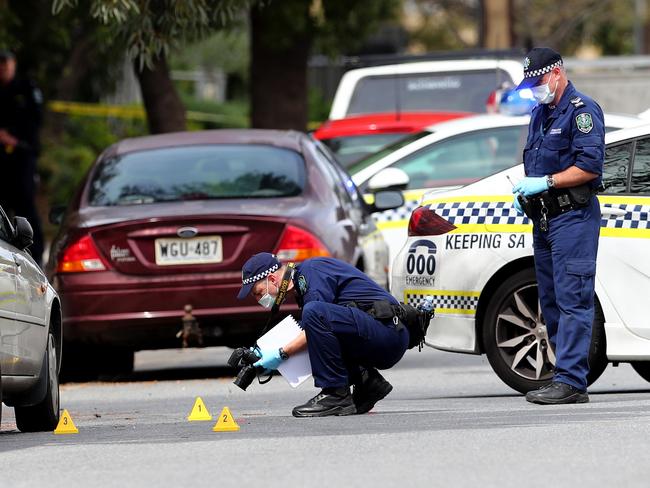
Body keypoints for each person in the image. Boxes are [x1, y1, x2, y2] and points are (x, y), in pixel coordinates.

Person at [512, 47, 605, 405]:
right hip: (546, 219)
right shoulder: (540, 114)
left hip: (573, 218)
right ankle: (563, 376)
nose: (535, 89)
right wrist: (528, 193)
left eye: (538, 81)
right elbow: (536, 162)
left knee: (573, 301)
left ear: (557, 74)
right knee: (550, 301)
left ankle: (571, 381)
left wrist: (547, 183)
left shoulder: (582, 112)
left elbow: (590, 166)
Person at [237, 252, 409, 417]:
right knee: (315, 323)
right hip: (381, 333)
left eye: (258, 293)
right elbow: (317, 333)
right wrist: (263, 353)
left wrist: (281, 353)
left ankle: (335, 393)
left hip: (388, 332)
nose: (259, 300)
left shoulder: (311, 272)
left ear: (273, 279)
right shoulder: (302, 281)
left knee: (313, 313)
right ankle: (367, 383)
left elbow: (315, 322)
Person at [0, 49, 44, 266]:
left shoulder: (25, 88)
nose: (3, 68)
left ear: (14, 65)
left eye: (6, 64)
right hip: (2, 160)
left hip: (22, 157)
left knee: (26, 207)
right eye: (1, 64)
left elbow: (36, 121)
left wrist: (15, 140)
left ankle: (36, 258)